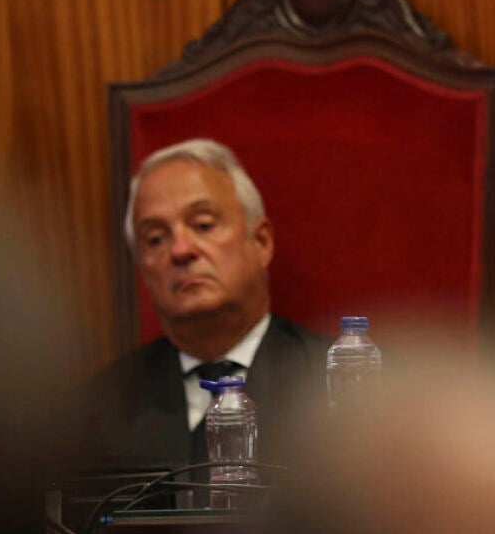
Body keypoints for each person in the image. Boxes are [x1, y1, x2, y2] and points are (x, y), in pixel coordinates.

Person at [85, 138, 328, 469]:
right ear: (140, 267)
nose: (180, 250)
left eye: (203, 225)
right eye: (155, 239)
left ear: (261, 243)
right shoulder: (96, 411)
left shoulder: (342, 384)